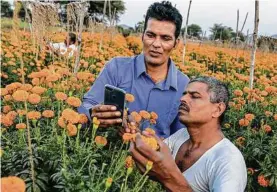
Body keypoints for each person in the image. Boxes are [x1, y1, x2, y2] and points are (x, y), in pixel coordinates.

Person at [78, 1, 190, 138]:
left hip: (156, 156)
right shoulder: (116, 68)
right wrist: (93, 113)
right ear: (142, 36)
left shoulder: (184, 85)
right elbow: (87, 105)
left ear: (176, 43)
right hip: (112, 152)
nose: (156, 44)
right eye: (151, 35)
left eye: (165, 38)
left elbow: (182, 136)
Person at [129, 76, 247, 192]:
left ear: (218, 109)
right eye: (184, 94)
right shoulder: (182, 135)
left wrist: (169, 177)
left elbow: (165, 172)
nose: (183, 99)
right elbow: (154, 162)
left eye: (194, 96)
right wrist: (132, 131)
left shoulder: (228, 161)